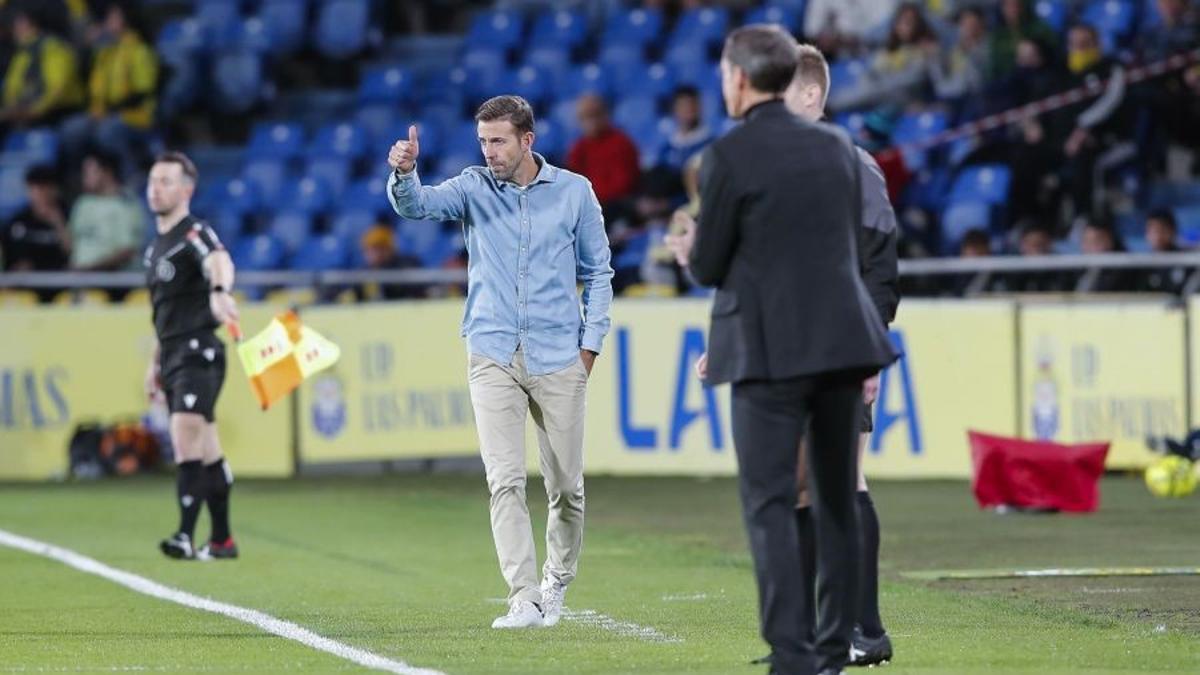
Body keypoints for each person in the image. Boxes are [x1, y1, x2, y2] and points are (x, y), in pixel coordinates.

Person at [665, 25, 896, 675]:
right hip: (843, 344)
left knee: (770, 504)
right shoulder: (839, 148)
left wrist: (689, 250)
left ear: (739, 78)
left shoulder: (728, 156)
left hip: (769, 353)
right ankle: (834, 647)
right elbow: (858, 246)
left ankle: (792, 656)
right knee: (836, 495)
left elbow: (711, 264)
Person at [387, 95, 613, 630]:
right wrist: (404, 173)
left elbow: (599, 273)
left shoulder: (575, 193)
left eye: (499, 141)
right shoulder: (471, 186)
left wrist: (589, 348)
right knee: (504, 479)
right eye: (483, 141)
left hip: (560, 355)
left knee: (566, 488)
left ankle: (558, 579)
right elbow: (418, 205)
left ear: (526, 140)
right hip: (491, 352)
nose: (489, 151)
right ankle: (524, 596)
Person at [142, 151, 240, 562]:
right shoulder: (155, 249)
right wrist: (155, 363)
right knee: (209, 448)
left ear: (187, 190)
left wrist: (220, 293)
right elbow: (163, 315)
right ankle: (222, 541)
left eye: (166, 181)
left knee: (185, 439)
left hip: (199, 350)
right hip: (175, 354)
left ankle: (184, 536)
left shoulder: (193, 234)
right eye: (153, 180)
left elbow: (220, 260)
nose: (156, 188)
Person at [60, 0, 159, 174]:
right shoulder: (105, 51)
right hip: (104, 113)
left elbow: (144, 91)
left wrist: (112, 111)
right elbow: (90, 83)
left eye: (113, 17)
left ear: (126, 20)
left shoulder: (140, 49)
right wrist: (88, 49)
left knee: (107, 132)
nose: (108, 22)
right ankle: (82, 179)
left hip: (136, 115)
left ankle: (130, 175)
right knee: (71, 130)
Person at [0, 3, 83, 132]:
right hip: (25, 116)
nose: (14, 26)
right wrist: (11, 109)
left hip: (58, 115)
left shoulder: (53, 48)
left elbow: (58, 89)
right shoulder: (22, 52)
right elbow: (11, 88)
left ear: (31, 22)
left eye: (19, 21)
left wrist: (34, 111)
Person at [68, 149, 146, 272]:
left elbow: (127, 251)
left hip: (112, 281)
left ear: (107, 172)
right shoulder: (83, 203)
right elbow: (71, 245)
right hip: (76, 280)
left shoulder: (126, 203)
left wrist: (91, 269)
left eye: (88, 173)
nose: (84, 178)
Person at [566, 93, 640, 221]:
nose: (590, 122)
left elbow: (623, 185)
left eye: (595, 115)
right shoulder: (579, 147)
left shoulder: (621, 142)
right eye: (585, 118)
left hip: (616, 205)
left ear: (605, 115)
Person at [1, 165, 71, 274]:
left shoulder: (71, 216)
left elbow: (74, 255)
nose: (41, 194)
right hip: (25, 285)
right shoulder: (17, 222)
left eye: (46, 187)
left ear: (55, 189)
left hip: (62, 283)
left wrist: (58, 223)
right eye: (36, 188)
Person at [354, 223, 425, 301]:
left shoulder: (406, 265)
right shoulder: (362, 274)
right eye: (371, 249)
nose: (376, 254)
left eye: (381, 248)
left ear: (390, 249)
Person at [654, 86, 714, 174]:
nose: (688, 110)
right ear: (674, 109)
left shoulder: (712, 146)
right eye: (683, 105)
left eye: (691, 104)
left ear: (699, 107)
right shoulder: (667, 150)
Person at [1135, 210, 1189, 294]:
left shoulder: (1187, 261)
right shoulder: (1141, 265)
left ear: (1172, 231)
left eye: (1161, 229)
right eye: (1152, 230)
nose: (1157, 235)